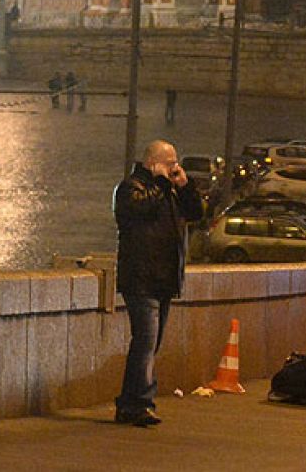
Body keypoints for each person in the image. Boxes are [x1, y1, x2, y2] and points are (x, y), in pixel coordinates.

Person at [113, 139, 205, 426]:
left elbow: (197, 213)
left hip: (164, 279)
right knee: (145, 341)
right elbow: (137, 212)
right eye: (169, 162)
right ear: (152, 163)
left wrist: (185, 186)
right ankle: (140, 403)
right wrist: (164, 185)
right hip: (140, 279)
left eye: (176, 162)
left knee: (150, 345)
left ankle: (129, 404)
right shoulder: (131, 187)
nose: (175, 167)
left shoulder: (172, 191)